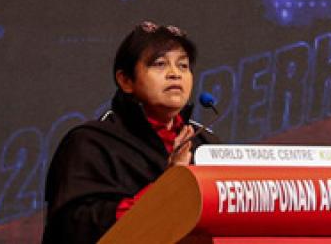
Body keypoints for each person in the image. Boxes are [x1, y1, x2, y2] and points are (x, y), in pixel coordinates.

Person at [42, 22, 211, 244]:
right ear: (126, 81)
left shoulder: (205, 143)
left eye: (183, 65)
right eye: (160, 64)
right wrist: (168, 187)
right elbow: (76, 227)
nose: (175, 74)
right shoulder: (91, 143)